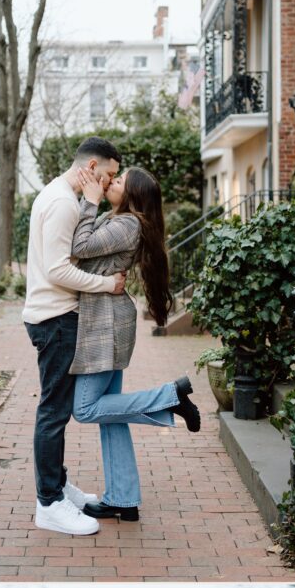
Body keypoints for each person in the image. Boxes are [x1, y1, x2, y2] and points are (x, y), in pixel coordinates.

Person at [70, 163, 200, 521]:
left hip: (106, 324)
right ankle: (123, 499)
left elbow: (80, 246)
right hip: (106, 319)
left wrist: (90, 200)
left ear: (133, 195)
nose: (114, 180)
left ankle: (170, 396)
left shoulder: (128, 224)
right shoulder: (120, 220)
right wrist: (95, 197)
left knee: (85, 408)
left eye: (121, 180)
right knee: (111, 413)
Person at [23, 135, 126, 535]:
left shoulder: (60, 195)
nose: (110, 181)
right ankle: (49, 503)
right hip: (55, 320)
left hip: (54, 317)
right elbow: (57, 270)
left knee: (56, 410)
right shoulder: (63, 203)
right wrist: (108, 286)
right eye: (110, 174)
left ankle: (58, 487)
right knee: (54, 411)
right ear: (93, 166)